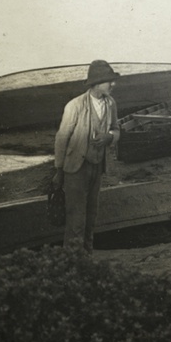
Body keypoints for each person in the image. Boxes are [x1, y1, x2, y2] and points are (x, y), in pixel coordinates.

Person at [52, 60, 121, 253]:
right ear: (97, 83)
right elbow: (61, 138)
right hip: (75, 168)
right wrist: (59, 171)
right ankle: (72, 261)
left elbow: (116, 130)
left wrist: (109, 137)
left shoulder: (110, 104)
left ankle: (87, 257)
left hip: (97, 166)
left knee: (91, 216)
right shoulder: (74, 106)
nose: (113, 85)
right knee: (76, 217)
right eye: (109, 81)